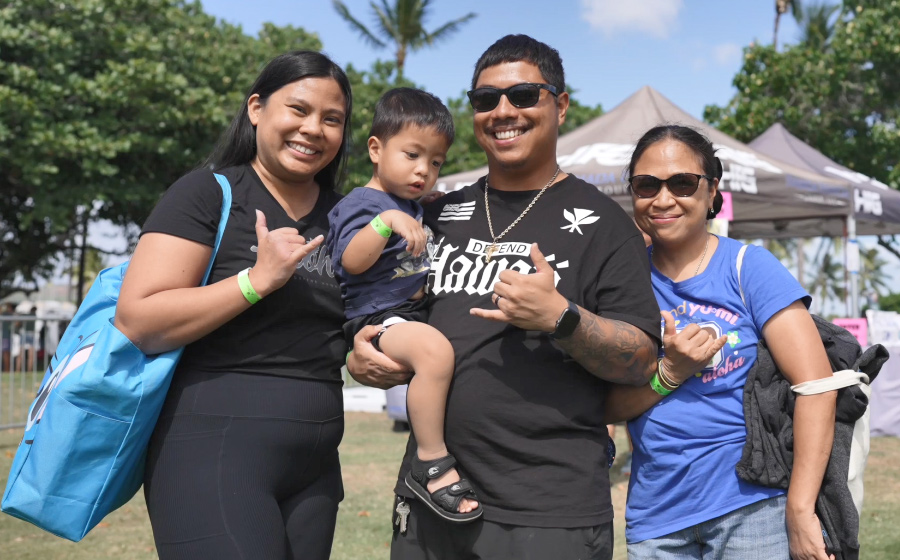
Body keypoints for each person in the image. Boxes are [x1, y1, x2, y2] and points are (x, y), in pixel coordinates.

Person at [374, 34, 662, 560]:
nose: (503, 111)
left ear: (561, 105)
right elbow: (386, 309)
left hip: (549, 513)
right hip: (432, 499)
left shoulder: (605, 224)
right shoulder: (434, 214)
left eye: (524, 95)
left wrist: (561, 318)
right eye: (486, 100)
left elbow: (641, 359)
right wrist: (365, 351)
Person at [114, 50, 406, 560]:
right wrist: (256, 281)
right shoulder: (207, 193)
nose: (313, 128)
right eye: (298, 109)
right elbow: (138, 319)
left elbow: (348, 318)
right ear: (256, 108)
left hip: (315, 465)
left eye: (332, 119)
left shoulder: (349, 217)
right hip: (211, 450)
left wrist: (361, 350)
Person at [605, 125, 837, 560]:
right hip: (655, 520)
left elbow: (817, 386)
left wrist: (800, 508)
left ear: (712, 190)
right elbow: (605, 407)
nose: (663, 198)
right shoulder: (623, 282)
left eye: (682, 182)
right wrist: (669, 373)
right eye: (646, 185)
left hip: (752, 510)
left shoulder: (749, 267)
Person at [326, 88, 480, 522]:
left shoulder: (410, 205)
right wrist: (385, 222)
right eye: (412, 155)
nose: (423, 170)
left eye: (436, 162)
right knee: (434, 352)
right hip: (378, 316)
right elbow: (352, 261)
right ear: (376, 149)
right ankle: (430, 461)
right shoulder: (364, 204)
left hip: (407, 313)